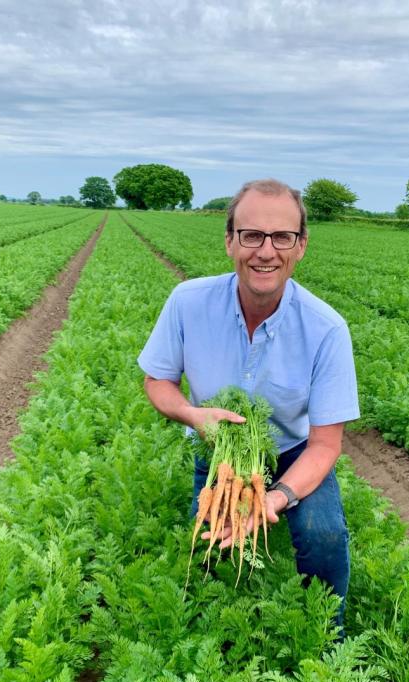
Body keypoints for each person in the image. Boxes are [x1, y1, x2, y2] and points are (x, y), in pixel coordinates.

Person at [138, 178, 360, 630]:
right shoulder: (188, 302)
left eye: (282, 237)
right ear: (229, 241)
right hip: (219, 448)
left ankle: (326, 632)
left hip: (293, 449)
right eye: (252, 235)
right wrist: (192, 414)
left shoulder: (327, 330)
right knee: (207, 541)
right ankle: (208, 627)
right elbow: (157, 379)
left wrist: (274, 498)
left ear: (301, 246)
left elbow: (325, 445)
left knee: (323, 535)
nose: (266, 251)